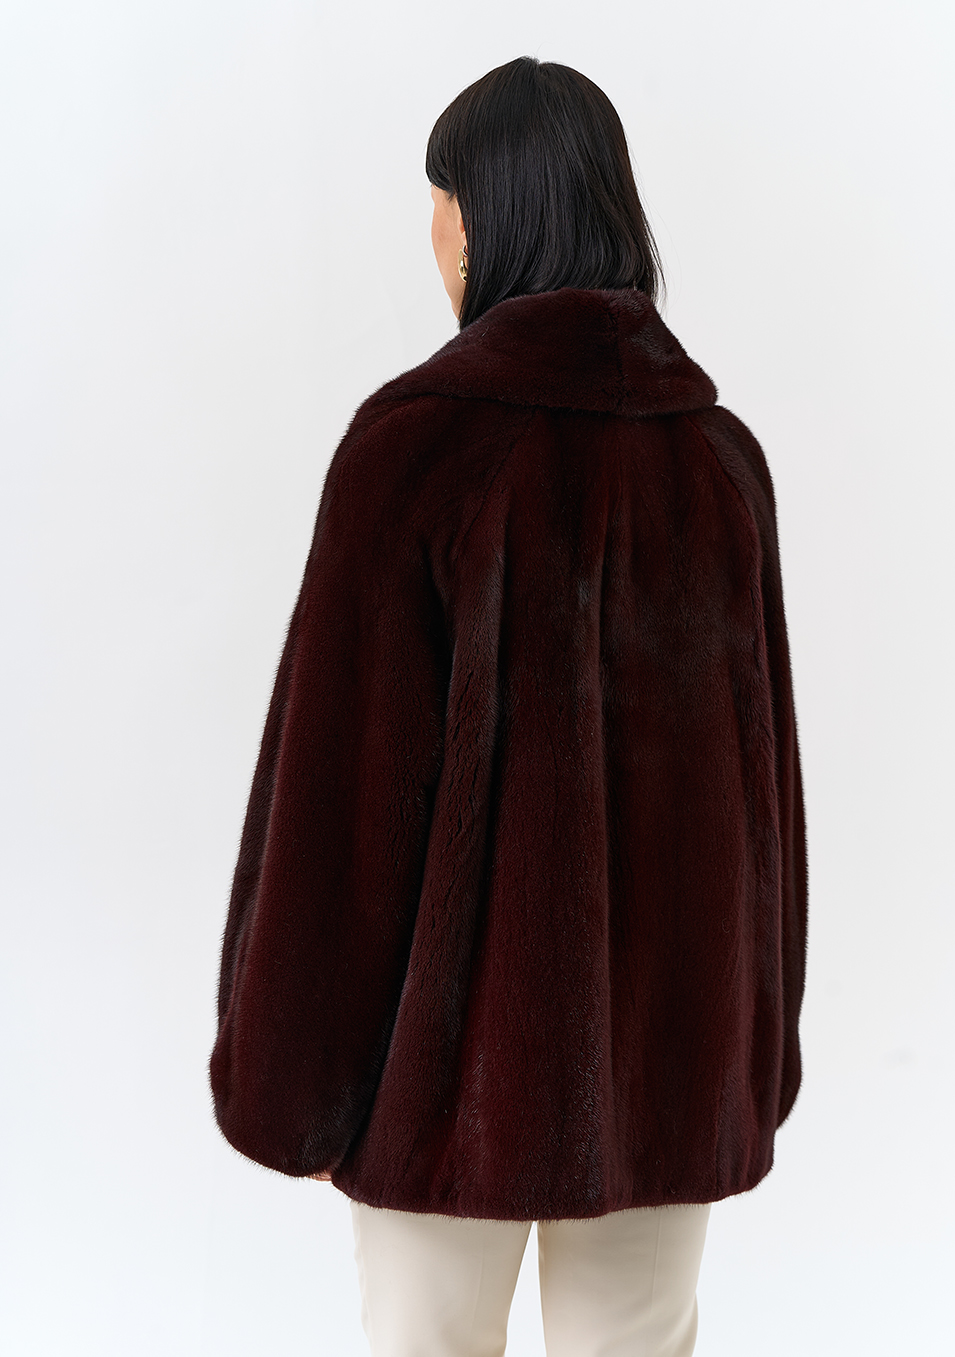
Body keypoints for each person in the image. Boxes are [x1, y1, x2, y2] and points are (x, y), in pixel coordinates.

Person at [209, 56, 808, 1357]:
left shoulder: (414, 452)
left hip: (443, 1080)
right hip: (671, 1064)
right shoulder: (718, 462)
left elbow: (343, 804)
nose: (432, 237)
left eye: (438, 203)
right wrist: (755, 1045)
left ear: (481, 216)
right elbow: (767, 807)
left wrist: (299, 1080)